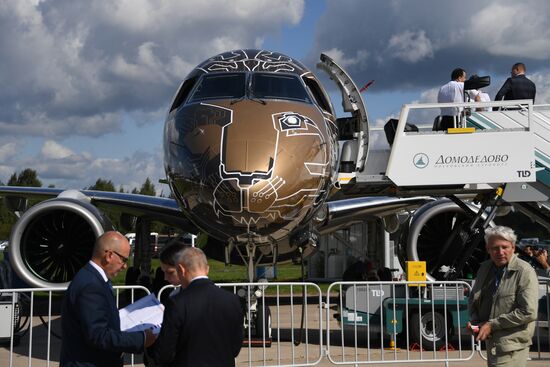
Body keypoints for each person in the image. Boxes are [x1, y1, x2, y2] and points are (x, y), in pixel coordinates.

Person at [60, 231, 156, 367]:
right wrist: (142, 338)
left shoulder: (93, 279)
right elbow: (98, 335)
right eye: (123, 260)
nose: (124, 266)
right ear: (109, 255)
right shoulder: (91, 285)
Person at [152, 247, 243, 367]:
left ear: (181, 270)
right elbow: (235, 347)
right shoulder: (232, 300)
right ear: (207, 269)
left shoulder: (177, 303)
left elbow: (164, 353)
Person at [467, 226, 538, 367]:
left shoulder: (524, 271)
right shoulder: (484, 268)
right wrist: (476, 323)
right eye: (495, 248)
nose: (500, 252)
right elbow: (474, 300)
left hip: (512, 347)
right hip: (493, 345)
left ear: (513, 247)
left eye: (504, 247)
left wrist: (491, 325)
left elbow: (528, 312)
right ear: (487, 249)